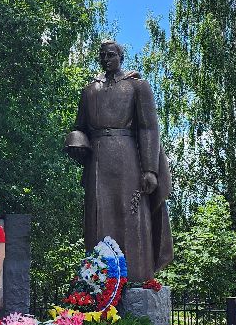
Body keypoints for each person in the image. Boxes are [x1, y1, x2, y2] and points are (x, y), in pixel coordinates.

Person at [65, 39, 173, 282]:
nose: (106, 59)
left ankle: (136, 276)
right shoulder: (89, 90)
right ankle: (98, 280)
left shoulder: (137, 86)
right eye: (102, 55)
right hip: (97, 160)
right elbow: (80, 126)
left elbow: (148, 128)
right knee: (98, 216)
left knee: (131, 214)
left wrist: (150, 169)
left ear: (120, 57)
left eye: (111, 55)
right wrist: (75, 140)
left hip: (128, 158)